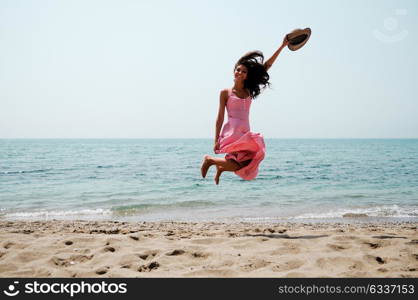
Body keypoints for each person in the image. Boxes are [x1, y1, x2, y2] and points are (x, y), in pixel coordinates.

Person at [201, 36, 289, 184]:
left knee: (245, 163)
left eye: (243, 71)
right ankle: (210, 160)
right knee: (243, 163)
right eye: (238, 70)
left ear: (247, 75)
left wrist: (282, 46)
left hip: (245, 131)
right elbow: (220, 117)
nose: (239, 72)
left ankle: (220, 167)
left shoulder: (248, 90)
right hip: (233, 131)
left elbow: (267, 66)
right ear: (234, 72)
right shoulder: (225, 92)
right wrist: (216, 139)